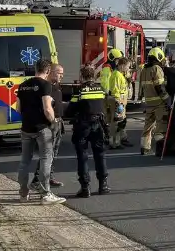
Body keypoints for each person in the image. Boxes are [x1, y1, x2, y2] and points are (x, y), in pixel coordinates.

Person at [16, 59, 66, 204]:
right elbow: (47, 109)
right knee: (46, 159)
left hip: (26, 128)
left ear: (36, 69)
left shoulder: (23, 85)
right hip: (42, 128)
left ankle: (23, 194)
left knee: (25, 161)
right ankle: (45, 194)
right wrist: (53, 121)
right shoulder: (45, 85)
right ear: (48, 70)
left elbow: (18, 108)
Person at [65, 65, 109, 197]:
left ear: (82, 76)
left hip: (83, 126)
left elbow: (70, 110)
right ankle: (103, 186)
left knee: (83, 156)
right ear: (94, 75)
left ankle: (85, 188)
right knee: (100, 155)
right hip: (98, 125)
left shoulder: (80, 91)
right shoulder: (101, 89)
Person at [32, 63, 66, 190]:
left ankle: (49, 177)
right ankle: (37, 180)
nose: (61, 76)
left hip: (58, 121)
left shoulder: (56, 85)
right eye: (59, 73)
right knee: (46, 154)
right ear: (50, 72)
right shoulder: (45, 86)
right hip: (49, 123)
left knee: (54, 153)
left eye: (62, 73)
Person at [137, 46, 170, 156]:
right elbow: (159, 87)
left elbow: (141, 88)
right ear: (159, 57)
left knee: (148, 127)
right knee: (161, 126)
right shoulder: (157, 69)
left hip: (148, 103)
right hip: (159, 103)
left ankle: (144, 148)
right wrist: (167, 100)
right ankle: (160, 151)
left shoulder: (144, 70)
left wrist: (141, 99)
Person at [109, 57, 133, 149]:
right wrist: (118, 103)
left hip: (121, 101)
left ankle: (117, 142)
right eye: (127, 66)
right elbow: (115, 91)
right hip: (118, 100)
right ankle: (114, 143)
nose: (128, 68)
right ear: (122, 65)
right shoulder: (117, 75)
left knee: (119, 122)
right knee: (116, 123)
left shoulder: (120, 74)